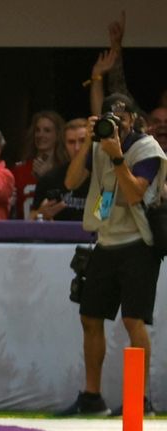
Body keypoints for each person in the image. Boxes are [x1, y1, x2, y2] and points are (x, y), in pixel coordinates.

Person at [59, 93, 166, 416]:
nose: (116, 123)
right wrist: (89, 144)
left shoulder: (147, 149)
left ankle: (138, 400)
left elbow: (135, 193)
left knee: (133, 320)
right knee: (90, 317)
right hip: (105, 241)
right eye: (110, 118)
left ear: (134, 120)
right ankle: (92, 397)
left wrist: (117, 157)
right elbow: (71, 180)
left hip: (138, 243)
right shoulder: (97, 145)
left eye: (122, 118)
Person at [10, 110, 67, 220]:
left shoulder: (66, 170)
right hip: (24, 231)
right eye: (37, 130)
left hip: (57, 231)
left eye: (47, 130)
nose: (40, 135)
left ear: (58, 134)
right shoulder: (19, 170)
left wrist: (47, 178)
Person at [31, 119, 90, 221]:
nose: (77, 148)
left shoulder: (103, 176)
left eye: (83, 141)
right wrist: (41, 214)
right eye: (71, 142)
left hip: (96, 235)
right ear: (64, 146)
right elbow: (31, 218)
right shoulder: (50, 179)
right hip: (59, 235)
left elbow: (103, 215)